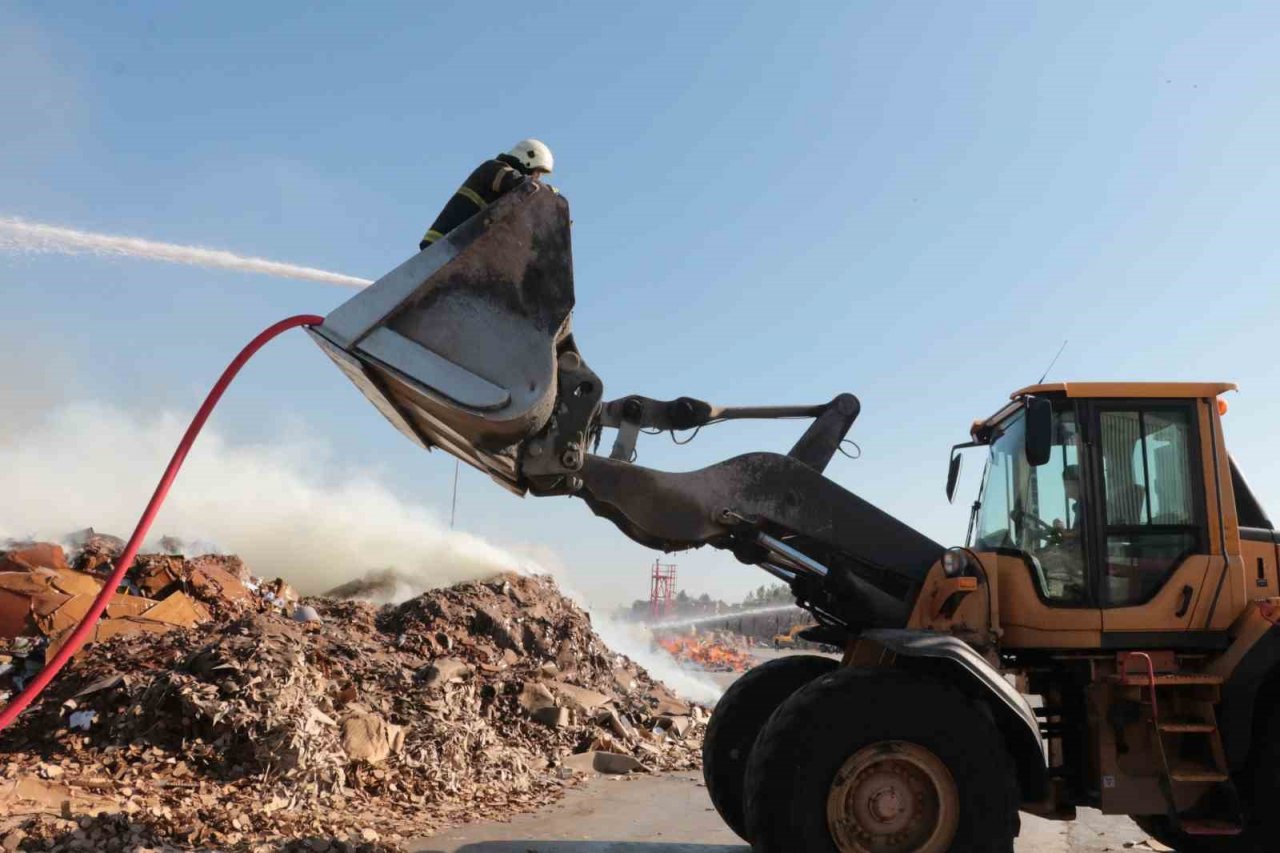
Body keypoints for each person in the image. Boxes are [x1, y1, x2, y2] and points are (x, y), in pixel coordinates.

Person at [419, 139, 555, 251]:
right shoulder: (494, 168)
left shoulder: (508, 195)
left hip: (455, 246)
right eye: (537, 171)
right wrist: (550, 195)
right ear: (527, 159)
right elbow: (517, 182)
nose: (537, 177)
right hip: (443, 244)